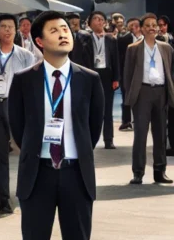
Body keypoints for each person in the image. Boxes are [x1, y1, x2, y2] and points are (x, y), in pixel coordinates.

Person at [8, 11, 104, 240]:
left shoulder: (89, 79)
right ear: (39, 41)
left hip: (76, 175)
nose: (64, 34)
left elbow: (92, 129)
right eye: (55, 30)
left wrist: (73, 158)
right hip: (39, 175)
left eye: (66, 29)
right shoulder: (24, 80)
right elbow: (19, 128)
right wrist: (44, 155)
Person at [0, 14, 38, 214]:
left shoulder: (25, 55)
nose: (8, 30)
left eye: (11, 27)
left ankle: (26, 193)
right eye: (4, 27)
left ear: (16, 30)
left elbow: (30, 85)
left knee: (25, 150)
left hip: (16, 105)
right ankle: (4, 199)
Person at [123, 14, 173, 185]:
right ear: (142, 29)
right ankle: (138, 172)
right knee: (140, 134)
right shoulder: (133, 48)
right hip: (142, 93)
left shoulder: (166, 48)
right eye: (148, 25)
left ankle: (160, 171)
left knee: (160, 134)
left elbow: (170, 72)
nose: (152, 27)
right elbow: (128, 75)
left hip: (160, 92)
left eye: (154, 25)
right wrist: (130, 97)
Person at [74, 11, 119, 149]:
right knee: (89, 107)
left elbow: (116, 59)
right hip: (91, 73)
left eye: (101, 19)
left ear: (105, 23)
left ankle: (109, 139)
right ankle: (87, 138)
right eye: (95, 19)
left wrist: (116, 78)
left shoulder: (111, 39)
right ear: (90, 23)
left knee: (107, 109)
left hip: (107, 74)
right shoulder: (84, 38)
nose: (98, 21)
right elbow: (78, 58)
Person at [117, 17, 141, 131]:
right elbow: (119, 57)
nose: (133, 28)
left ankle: (139, 119)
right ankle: (126, 121)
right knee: (126, 96)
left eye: (136, 25)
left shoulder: (146, 39)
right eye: (131, 25)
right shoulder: (123, 40)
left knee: (141, 97)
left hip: (142, 73)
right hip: (126, 72)